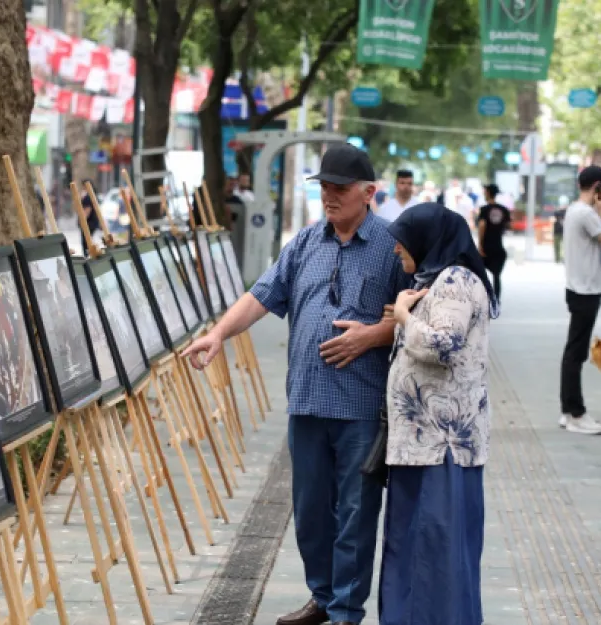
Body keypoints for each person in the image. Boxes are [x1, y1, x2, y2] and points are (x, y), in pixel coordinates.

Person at [183, 144, 409, 625]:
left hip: (360, 409)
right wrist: (219, 333)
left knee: (354, 514)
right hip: (306, 402)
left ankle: (347, 611)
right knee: (309, 514)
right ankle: (322, 599)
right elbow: (261, 295)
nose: (329, 195)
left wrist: (373, 335)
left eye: (340, 188)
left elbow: (418, 316)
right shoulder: (305, 243)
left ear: (368, 193)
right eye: (324, 186)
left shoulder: (392, 246)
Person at [379, 204, 497, 625]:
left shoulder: (455, 281)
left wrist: (403, 316)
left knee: (433, 552)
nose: (395, 247)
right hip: (427, 444)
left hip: (439, 446)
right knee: (424, 549)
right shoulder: (440, 279)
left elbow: (442, 345)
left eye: (403, 238)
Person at [559, 166, 601, 436]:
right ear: (597, 187)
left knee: (574, 351)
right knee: (576, 353)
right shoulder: (587, 214)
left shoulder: (575, 211)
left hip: (578, 288)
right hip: (586, 291)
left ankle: (568, 410)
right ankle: (576, 413)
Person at [475, 183, 510, 302]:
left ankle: (481, 298)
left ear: (488, 193)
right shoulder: (504, 210)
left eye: (485, 192)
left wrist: (480, 245)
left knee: (479, 275)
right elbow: (508, 226)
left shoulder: (484, 209)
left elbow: (482, 225)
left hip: (486, 247)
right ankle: (496, 300)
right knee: (496, 276)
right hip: (499, 247)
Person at [552, 196, 568, 263]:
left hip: (564, 232)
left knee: (564, 246)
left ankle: (562, 258)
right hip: (557, 231)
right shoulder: (557, 212)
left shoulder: (568, 212)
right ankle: (557, 259)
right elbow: (554, 219)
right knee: (557, 246)